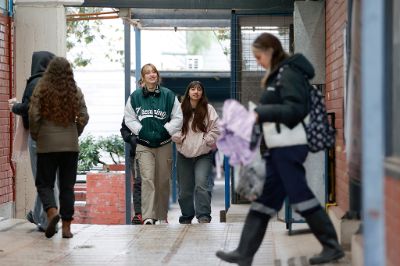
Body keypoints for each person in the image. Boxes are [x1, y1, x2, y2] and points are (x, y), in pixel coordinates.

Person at [216, 33, 344, 265]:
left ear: (270, 51)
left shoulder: (289, 73)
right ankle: (244, 253)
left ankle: (331, 246)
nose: (257, 61)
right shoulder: (280, 74)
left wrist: (260, 113)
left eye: (258, 56)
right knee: (265, 201)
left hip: (290, 147)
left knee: (300, 196)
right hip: (279, 148)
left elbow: (296, 110)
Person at [28, 57, 89, 238]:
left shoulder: (42, 89)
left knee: (44, 183)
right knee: (67, 186)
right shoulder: (74, 91)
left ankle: (52, 212)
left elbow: (33, 114)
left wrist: (37, 135)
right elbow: (84, 116)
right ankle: (67, 227)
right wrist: (75, 132)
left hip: (47, 144)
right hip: (70, 146)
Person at [124, 63, 183, 225]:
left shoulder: (168, 95)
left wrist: (166, 130)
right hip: (144, 145)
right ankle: (148, 216)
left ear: (157, 76)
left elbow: (178, 118)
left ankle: (161, 216)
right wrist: (141, 131)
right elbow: (129, 118)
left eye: (154, 72)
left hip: (164, 143)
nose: (152, 75)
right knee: (147, 179)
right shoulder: (135, 96)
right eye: (148, 73)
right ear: (143, 77)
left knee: (163, 180)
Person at [8, 51, 59, 232]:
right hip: (57, 137)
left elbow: (30, 109)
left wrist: (15, 106)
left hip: (39, 137)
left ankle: (47, 220)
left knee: (45, 181)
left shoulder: (35, 82)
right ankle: (37, 215)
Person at [172, 81, 220, 224]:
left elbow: (216, 128)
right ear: (188, 92)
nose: (196, 91)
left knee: (201, 184)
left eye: (199, 89)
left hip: (203, 154)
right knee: (185, 189)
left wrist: (206, 140)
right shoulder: (179, 109)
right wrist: (180, 138)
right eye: (192, 89)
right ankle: (187, 215)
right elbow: (172, 126)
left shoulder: (208, 108)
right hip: (184, 154)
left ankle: (204, 215)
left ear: (202, 93)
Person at [120, 119, 143, 224]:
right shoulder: (132, 105)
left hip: (155, 150)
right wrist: (131, 138)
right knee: (138, 182)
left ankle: (156, 213)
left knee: (155, 181)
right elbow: (124, 128)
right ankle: (139, 214)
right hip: (136, 153)